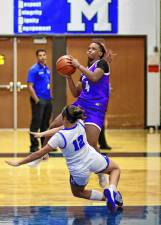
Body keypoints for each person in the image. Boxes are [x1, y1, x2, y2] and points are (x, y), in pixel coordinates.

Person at [5, 105, 123, 211]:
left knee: (78, 192)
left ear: (65, 118)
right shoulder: (80, 123)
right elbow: (61, 127)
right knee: (115, 169)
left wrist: (19, 163)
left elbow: (37, 154)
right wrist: (42, 134)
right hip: (92, 158)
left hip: (78, 169)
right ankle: (112, 191)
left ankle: (106, 197)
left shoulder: (59, 138)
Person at [45, 40, 113, 187]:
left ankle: (102, 173)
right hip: (80, 105)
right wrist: (69, 77)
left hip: (95, 107)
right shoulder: (85, 71)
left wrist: (77, 66)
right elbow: (76, 93)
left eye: (93, 49)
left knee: (91, 143)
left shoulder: (102, 64)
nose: (89, 50)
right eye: (88, 48)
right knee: (54, 124)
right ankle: (44, 153)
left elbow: (95, 78)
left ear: (100, 53)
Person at [27, 49, 53, 152]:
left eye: (44, 55)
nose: (42, 57)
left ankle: (44, 145)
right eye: (40, 55)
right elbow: (29, 86)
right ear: (37, 57)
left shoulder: (47, 69)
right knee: (36, 123)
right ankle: (33, 146)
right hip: (38, 100)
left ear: (46, 56)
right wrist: (37, 100)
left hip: (47, 99)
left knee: (45, 124)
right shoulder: (33, 69)